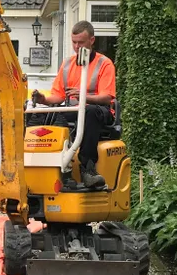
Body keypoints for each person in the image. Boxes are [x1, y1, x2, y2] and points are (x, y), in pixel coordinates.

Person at [30, 20, 116, 189]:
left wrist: (83, 95)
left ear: (91, 40)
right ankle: (41, 163)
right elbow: (58, 96)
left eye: (81, 42)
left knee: (89, 112)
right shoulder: (68, 64)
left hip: (100, 111)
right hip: (74, 108)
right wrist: (43, 100)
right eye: (74, 42)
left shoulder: (104, 64)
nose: (77, 47)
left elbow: (107, 97)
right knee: (40, 114)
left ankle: (88, 169)